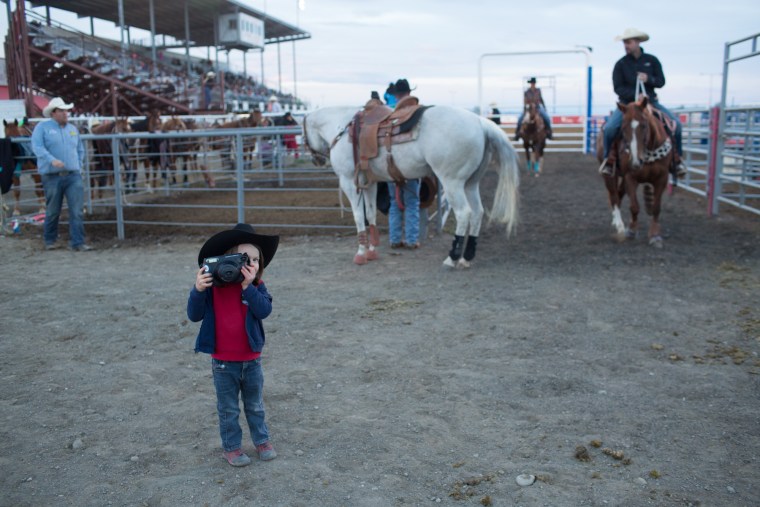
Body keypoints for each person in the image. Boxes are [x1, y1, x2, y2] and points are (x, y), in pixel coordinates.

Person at [187, 223, 280, 467]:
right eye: (244, 258)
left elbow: (264, 310)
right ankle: (232, 448)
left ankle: (262, 441)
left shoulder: (257, 288)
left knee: (255, 405)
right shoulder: (212, 288)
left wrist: (248, 287)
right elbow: (194, 315)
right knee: (228, 409)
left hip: (252, 359)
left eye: (256, 260)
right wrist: (197, 290)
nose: (251, 264)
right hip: (222, 362)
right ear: (228, 259)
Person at [599, 28, 687, 177]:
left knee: (676, 125)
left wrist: (649, 79)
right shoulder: (620, 64)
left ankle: (676, 160)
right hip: (627, 106)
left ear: (637, 42)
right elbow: (618, 88)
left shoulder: (652, 61)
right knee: (609, 129)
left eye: (628, 42)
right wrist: (634, 96)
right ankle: (609, 161)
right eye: (624, 43)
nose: (626, 45)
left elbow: (661, 81)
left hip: (650, 103)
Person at [31, 97, 91, 251]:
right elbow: (37, 147)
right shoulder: (42, 128)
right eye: (62, 110)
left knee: (76, 210)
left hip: (73, 175)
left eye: (66, 110)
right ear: (54, 113)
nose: (66, 113)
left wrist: (78, 165)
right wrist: (52, 160)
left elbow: (80, 149)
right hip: (52, 175)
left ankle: (77, 242)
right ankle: (50, 240)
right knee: (53, 210)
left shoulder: (72, 129)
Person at [387, 78, 420, 249]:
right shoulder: (416, 114)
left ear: (396, 95)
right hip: (411, 165)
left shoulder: (389, 116)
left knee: (394, 202)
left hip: (390, 165)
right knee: (412, 202)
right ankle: (412, 240)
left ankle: (394, 239)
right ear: (409, 93)